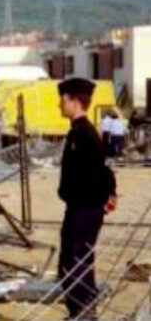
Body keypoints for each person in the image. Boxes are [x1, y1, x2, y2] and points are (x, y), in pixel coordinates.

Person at [57, 78, 117, 320]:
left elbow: (96, 174)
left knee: (75, 261)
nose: (59, 105)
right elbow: (105, 171)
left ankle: (83, 312)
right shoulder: (81, 132)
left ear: (74, 101)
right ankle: (82, 310)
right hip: (83, 207)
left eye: (62, 101)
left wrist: (102, 198)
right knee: (76, 260)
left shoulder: (83, 135)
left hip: (83, 209)